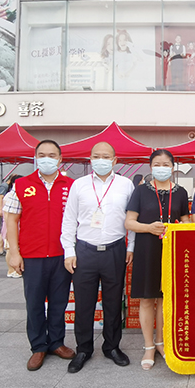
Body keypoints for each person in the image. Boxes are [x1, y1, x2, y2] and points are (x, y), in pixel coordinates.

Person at [61, 142, 135, 373]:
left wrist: (131, 246)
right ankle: (83, 349)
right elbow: (69, 219)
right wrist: (69, 251)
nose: (100, 160)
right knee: (84, 304)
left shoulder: (125, 184)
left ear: (114, 160)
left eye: (105, 156)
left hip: (115, 250)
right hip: (85, 251)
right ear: (90, 158)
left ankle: (112, 347)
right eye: (96, 156)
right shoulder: (79, 185)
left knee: (113, 303)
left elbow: (132, 218)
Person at [5, 140, 76, 371]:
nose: (47, 159)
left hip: (61, 255)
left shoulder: (71, 185)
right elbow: (12, 220)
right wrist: (14, 253)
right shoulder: (22, 185)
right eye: (42, 155)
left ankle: (56, 342)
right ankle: (38, 346)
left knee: (59, 302)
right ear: (36, 158)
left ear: (60, 159)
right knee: (34, 303)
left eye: (52, 155)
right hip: (32, 256)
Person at [125, 149, 190, 370]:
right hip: (146, 248)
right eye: (157, 164)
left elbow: (186, 220)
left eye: (166, 164)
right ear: (151, 167)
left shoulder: (180, 192)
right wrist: (149, 228)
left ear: (173, 167)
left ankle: (161, 342)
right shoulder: (141, 191)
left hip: (172, 250)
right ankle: (148, 346)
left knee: (164, 299)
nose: (161, 168)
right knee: (146, 299)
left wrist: (183, 227)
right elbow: (129, 222)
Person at [1, 174, 23, 278]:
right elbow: (7, 215)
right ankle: (10, 270)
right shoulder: (10, 196)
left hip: (17, 226)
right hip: (10, 226)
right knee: (10, 248)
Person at [0, 177, 11, 256]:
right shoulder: (4, 186)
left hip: (4, 212)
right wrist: (1, 209)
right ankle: (0, 249)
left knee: (3, 231)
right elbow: (0, 197)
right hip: (4, 212)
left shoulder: (6, 187)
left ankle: (0, 249)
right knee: (3, 231)